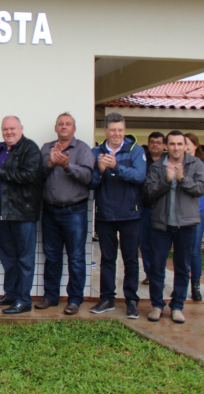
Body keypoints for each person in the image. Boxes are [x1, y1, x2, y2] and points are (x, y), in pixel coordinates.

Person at [0, 116, 42, 315]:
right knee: (8, 257)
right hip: (4, 212)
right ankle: (11, 294)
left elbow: (29, 177)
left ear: (21, 128)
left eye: (12, 128)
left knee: (24, 259)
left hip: (23, 213)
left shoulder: (30, 148)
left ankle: (24, 300)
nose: (9, 132)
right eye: (5, 129)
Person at [144, 131, 204, 324]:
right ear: (166, 146)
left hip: (186, 224)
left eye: (180, 144)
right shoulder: (157, 166)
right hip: (161, 224)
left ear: (185, 146)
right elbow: (148, 193)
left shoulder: (195, 164)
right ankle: (157, 305)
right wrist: (166, 180)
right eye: (172, 144)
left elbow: (201, 188)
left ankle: (177, 306)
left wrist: (182, 178)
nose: (176, 148)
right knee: (157, 267)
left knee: (182, 267)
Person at [89, 112, 146, 319]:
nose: (117, 134)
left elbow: (139, 176)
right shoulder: (96, 152)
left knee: (130, 259)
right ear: (105, 131)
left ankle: (131, 300)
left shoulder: (136, 150)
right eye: (113, 130)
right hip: (105, 214)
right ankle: (107, 298)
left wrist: (116, 167)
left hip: (130, 214)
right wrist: (100, 170)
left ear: (124, 130)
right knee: (107, 259)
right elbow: (90, 183)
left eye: (120, 130)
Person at [36, 113, 94, 316]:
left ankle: (75, 299)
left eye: (68, 124)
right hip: (49, 211)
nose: (64, 127)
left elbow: (88, 177)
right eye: (60, 124)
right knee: (52, 256)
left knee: (76, 258)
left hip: (74, 211)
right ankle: (50, 296)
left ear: (74, 128)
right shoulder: (46, 148)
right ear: (55, 128)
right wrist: (50, 163)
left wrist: (67, 165)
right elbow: (36, 176)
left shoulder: (83, 149)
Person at [184, 132, 204, 302]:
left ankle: (195, 286)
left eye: (188, 143)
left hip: (198, 211)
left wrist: (183, 179)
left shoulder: (203, 164)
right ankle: (181, 285)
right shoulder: (177, 163)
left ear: (195, 146)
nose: (185, 146)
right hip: (181, 211)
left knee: (194, 250)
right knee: (182, 250)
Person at [141, 132, 166, 285]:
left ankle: (159, 274)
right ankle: (149, 274)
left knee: (160, 245)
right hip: (145, 208)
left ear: (164, 145)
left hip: (163, 209)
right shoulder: (142, 161)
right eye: (152, 142)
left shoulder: (168, 162)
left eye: (158, 142)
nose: (155, 145)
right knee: (145, 244)